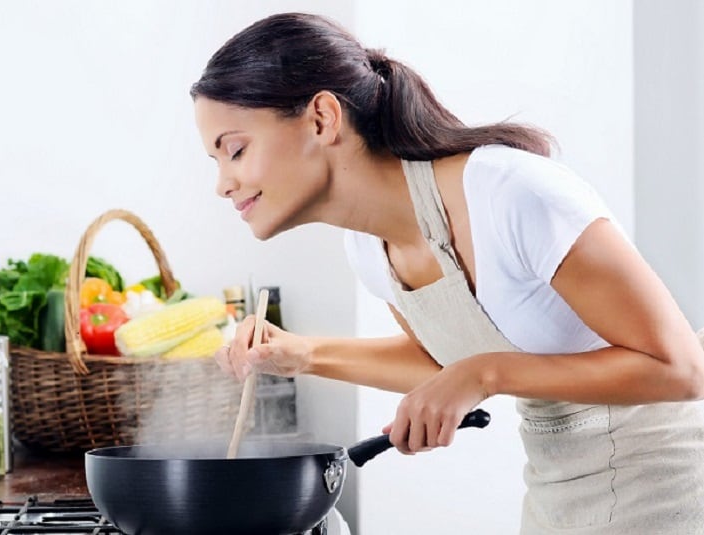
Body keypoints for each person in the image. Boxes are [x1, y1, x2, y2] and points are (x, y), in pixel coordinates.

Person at [190, 12, 704, 534]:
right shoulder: (370, 248)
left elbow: (684, 369)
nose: (223, 184)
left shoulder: (511, 194)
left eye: (235, 150)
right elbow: (440, 362)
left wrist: (484, 374)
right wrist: (303, 355)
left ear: (322, 118)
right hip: (557, 491)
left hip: (668, 482)